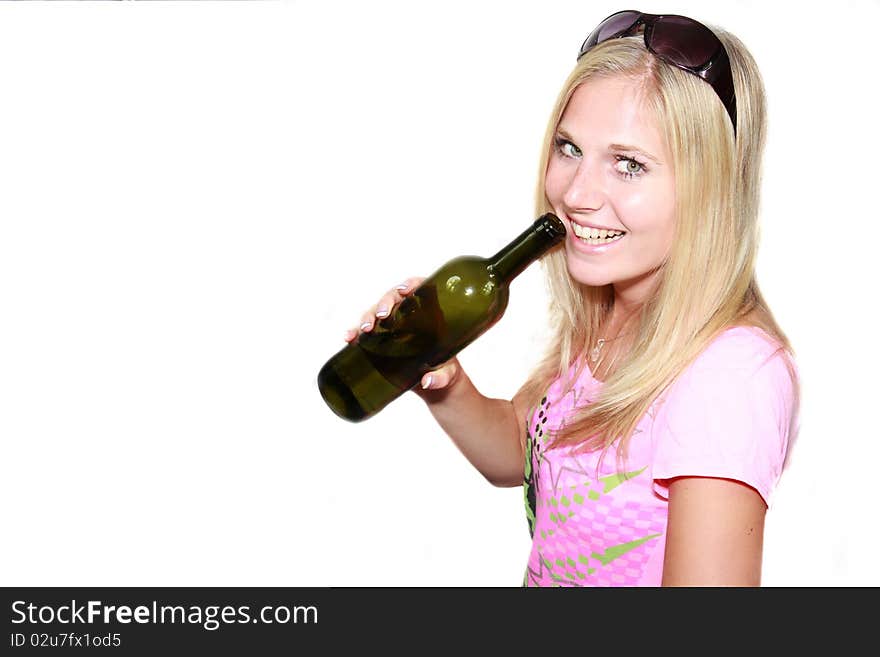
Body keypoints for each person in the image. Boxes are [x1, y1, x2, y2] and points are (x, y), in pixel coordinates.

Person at [342, 10, 801, 586]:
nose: (576, 194)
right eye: (569, 148)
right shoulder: (612, 310)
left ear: (712, 185)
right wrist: (444, 382)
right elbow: (524, 450)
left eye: (629, 164)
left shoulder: (729, 375)